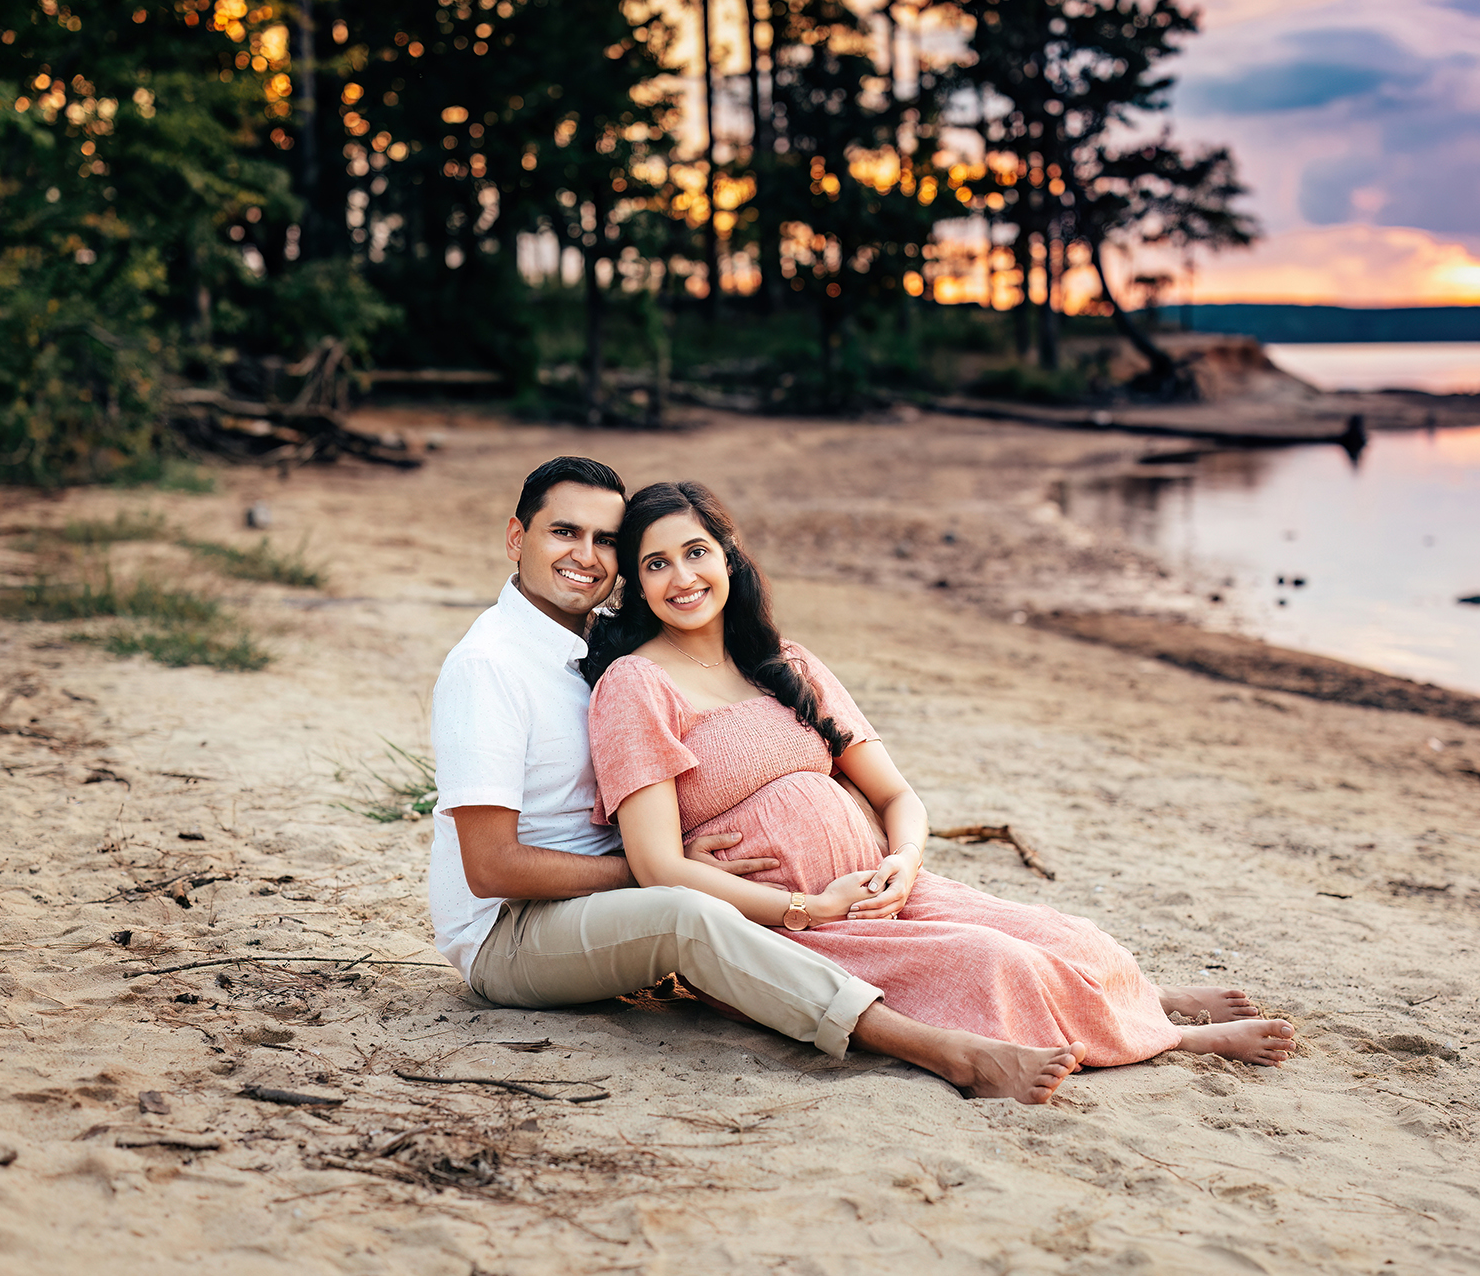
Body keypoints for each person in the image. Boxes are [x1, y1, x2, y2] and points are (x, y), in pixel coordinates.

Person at [428, 456, 1094, 1104]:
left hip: (612, 906)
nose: (587, 554)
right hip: (510, 934)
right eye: (563, 532)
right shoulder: (491, 666)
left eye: (606, 539)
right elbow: (490, 867)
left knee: (1021, 934)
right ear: (517, 538)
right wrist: (656, 867)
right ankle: (942, 1049)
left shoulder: (599, 648)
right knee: (686, 911)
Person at [582, 480, 1296, 1068]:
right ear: (636, 586)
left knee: (1073, 934)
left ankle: (1151, 994)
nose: (682, 578)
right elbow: (656, 863)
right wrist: (813, 908)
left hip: (887, 892)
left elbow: (896, 793)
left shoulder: (787, 664)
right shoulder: (636, 685)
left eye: (696, 551)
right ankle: (1175, 1037)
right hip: (786, 927)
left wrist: (904, 861)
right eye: (656, 563)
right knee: (990, 962)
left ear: (729, 558)